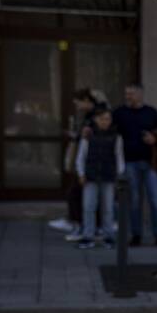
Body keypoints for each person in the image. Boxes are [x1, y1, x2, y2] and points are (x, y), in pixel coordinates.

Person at [112, 84, 157, 247]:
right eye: (126, 94)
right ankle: (136, 235)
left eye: (131, 94)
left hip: (151, 163)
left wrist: (154, 138)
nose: (128, 97)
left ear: (140, 95)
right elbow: (107, 128)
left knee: (156, 200)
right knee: (134, 201)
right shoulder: (119, 113)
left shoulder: (151, 112)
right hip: (130, 163)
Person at [50, 89, 103, 240]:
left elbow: (97, 136)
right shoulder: (88, 116)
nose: (77, 106)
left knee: (77, 193)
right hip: (85, 160)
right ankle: (85, 225)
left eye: (78, 103)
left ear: (87, 100)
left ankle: (80, 225)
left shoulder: (97, 115)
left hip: (91, 162)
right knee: (79, 193)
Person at [74, 106, 125, 249]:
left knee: (108, 208)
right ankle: (87, 236)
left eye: (108, 119)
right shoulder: (88, 136)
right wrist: (81, 174)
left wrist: (119, 175)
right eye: (102, 119)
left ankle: (108, 236)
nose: (105, 122)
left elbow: (119, 158)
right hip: (90, 176)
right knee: (89, 207)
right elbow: (81, 157)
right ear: (96, 120)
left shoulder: (116, 137)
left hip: (108, 177)